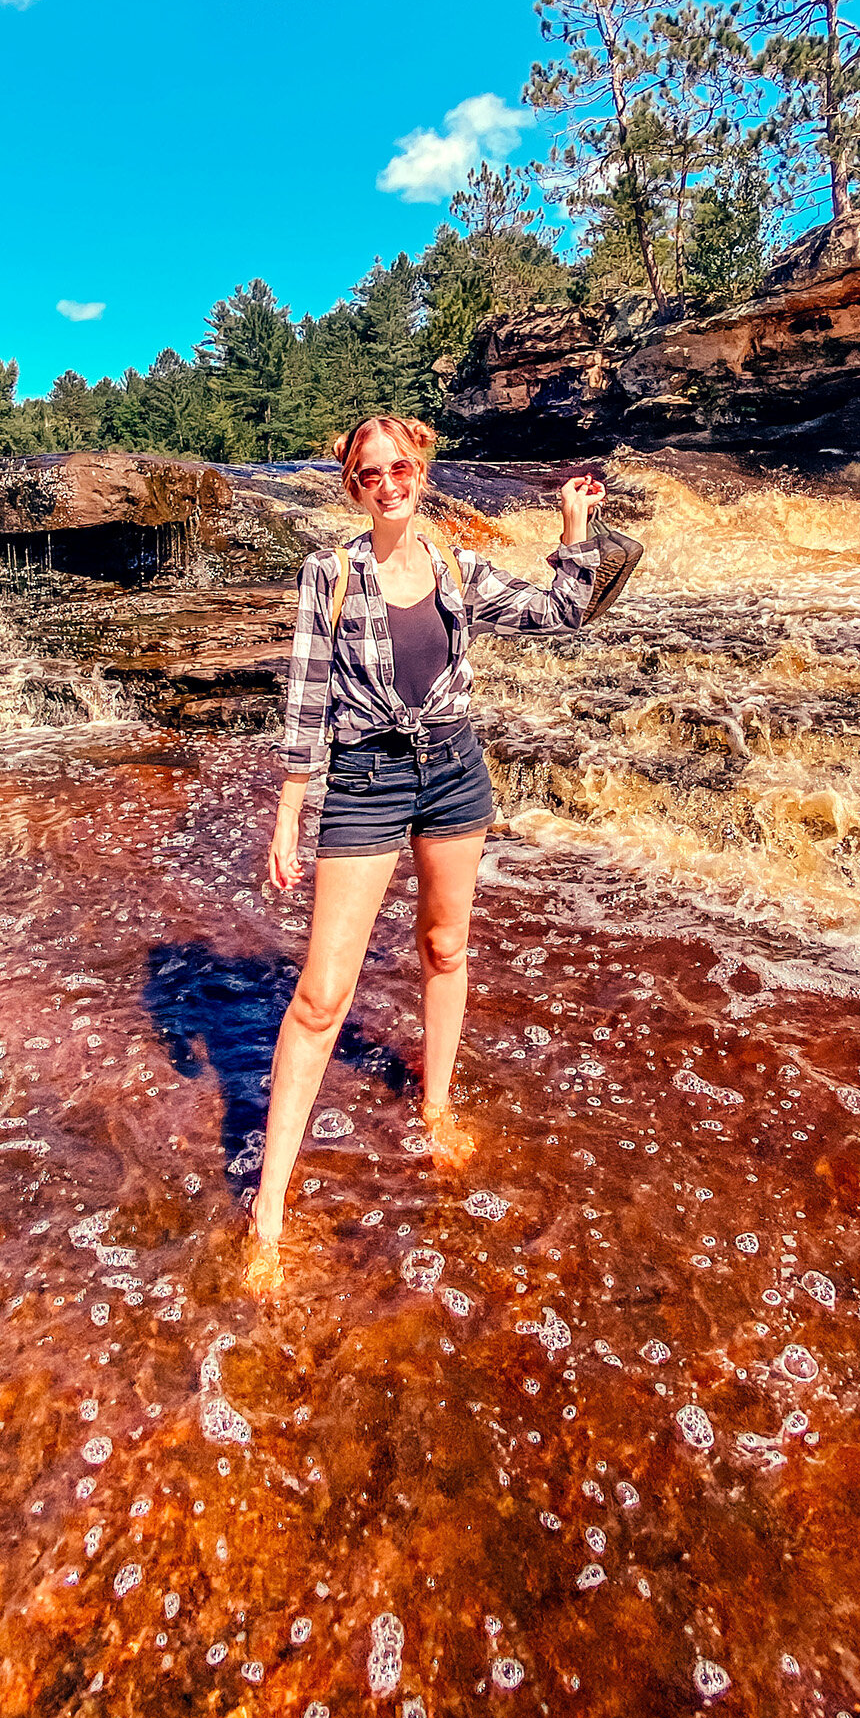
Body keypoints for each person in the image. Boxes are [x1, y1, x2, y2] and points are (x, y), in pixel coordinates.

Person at [245, 413, 605, 1291]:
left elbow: (558, 612)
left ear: (422, 470)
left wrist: (574, 533)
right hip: (365, 780)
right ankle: (267, 1215)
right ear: (354, 487)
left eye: (401, 467)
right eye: (371, 475)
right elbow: (304, 694)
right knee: (321, 998)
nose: (390, 483)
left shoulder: (453, 564)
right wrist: (290, 808)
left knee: (445, 948)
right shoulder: (329, 573)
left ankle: (436, 1107)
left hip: (453, 770)